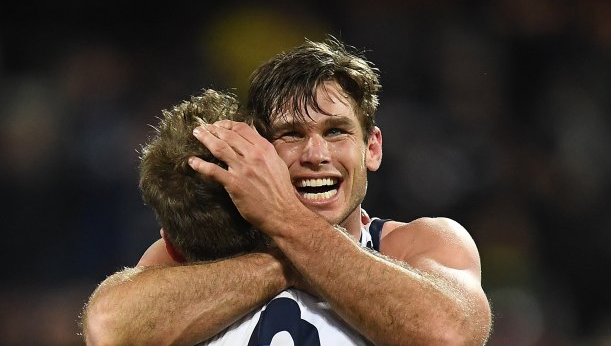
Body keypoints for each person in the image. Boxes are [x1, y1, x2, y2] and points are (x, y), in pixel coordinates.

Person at [83, 36, 492, 345]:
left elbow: (449, 334)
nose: (316, 154)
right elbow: (109, 327)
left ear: (372, 148)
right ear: (260, 153)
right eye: (291, 135)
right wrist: (288, 260)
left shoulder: (419, 243)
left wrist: (285, 223)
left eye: (336, 132)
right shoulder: (208, 251)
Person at [82, 88, 371, 345]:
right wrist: (302, 256)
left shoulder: (155, 305)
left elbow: (107, 324)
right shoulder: (389, 256)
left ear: (170, 243)